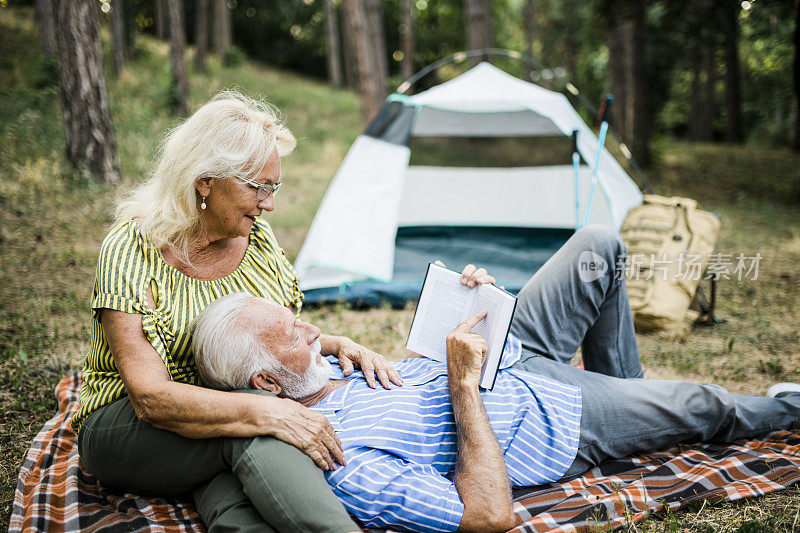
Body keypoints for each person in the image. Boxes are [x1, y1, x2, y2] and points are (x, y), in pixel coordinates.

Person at [192, 227, 800, 533]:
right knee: (712, 405)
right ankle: (779, 408)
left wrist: (463, 306)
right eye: (291, 334)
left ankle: (630, 393)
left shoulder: (333, 371)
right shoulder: (340, 461)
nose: (311, 330)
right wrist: (461, 386)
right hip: (553, 418)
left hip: (511, 351)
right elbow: (485, 516)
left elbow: (423, 364)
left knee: (597, 245)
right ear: (267, 382)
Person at [73, 91, 405, 533]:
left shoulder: (259, 242)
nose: (269, 203)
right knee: (257, 424)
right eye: (258, 186)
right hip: (131, 424)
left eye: (275, 186)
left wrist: (337, 343)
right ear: (204, 180)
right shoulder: (132, 250)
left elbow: (274, 341)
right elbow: (150, 398)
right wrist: (266, 412)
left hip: (225, 419)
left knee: (238, 495)